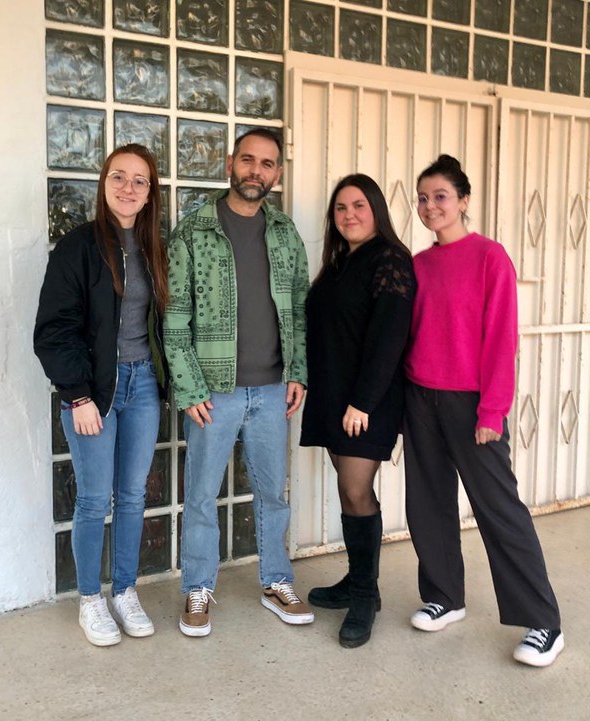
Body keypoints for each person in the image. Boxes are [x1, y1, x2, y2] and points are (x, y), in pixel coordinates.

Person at [403, 154, 564, 667]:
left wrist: (492, 411)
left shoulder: (490, 257)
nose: (430, 206)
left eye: (441, 197)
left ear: (463, 201)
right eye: (423, 198)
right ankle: (445, 596)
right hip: (419, 397)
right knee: (428, 502)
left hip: (471, 403)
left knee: (498, 509)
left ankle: (543, 623)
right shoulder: (418, 264)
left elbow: (501, 340)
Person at [164, 128, 313, 637]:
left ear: (278, 173)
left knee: (273, 494)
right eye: (248, 160)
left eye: (267, 164)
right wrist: (189, 388)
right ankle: (197, 588)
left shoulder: (285, 232)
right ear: (230, 163)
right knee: (201, 495)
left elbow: (299, 308)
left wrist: (298, 371)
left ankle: (276, 581)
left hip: (272, 390)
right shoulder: (194, 230)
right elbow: (175, 316)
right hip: (214, 391)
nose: (256, 171)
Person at [33, 144, 169, 647]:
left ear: (150, 193)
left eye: (139, 180)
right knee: (94, 498)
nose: (128, 188)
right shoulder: (78, 247)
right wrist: (77, 395)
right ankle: (90, 597)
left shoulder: (156, 249)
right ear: (104, 183)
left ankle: (125, 590)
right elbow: (54, 329)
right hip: (94, 390)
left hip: (143, 386)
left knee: (132, 495)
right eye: (118, 177)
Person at [301, 174, 416, 648]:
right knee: (349, 491)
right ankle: (357, 580)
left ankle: (365, 596)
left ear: (376, 211)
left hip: (366, 401)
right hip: (334, 396)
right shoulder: (340, 263)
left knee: (355, 490)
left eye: (359, 205)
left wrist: (362, 402)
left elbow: (390, 336)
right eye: (341, 208)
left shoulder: (390, 259)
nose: (349, 215)